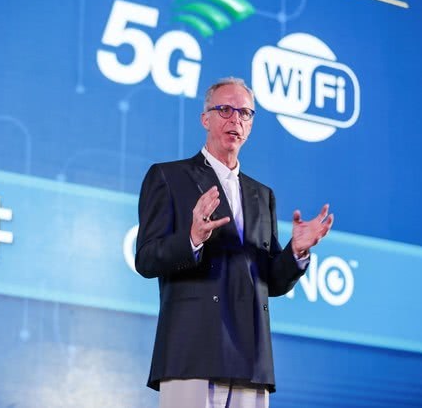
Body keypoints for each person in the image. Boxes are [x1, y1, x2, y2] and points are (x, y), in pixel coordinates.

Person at [135, 77, 334, 408]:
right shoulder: (169, 177)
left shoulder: (262, 194)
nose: (236, 119)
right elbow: (146, 259)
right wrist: (192, 238)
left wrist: (296, 251)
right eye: (225, 109)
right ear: (205, 118)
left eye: (245, 113)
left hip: (251, 358)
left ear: (251, 124)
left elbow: (271, 281)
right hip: (192, 353)